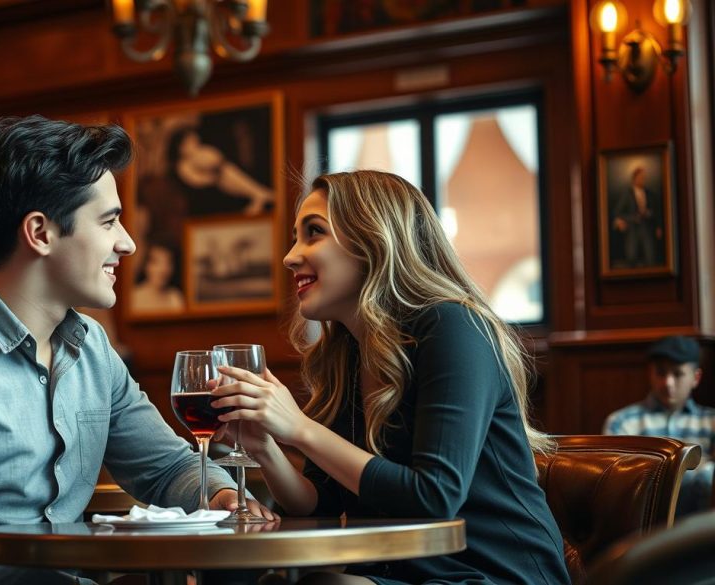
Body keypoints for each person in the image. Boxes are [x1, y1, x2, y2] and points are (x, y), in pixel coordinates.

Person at [0, 115, 272, 585]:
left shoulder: (92, 347)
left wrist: (218, 496)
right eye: (110, 221)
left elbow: (166, 467)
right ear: (40, 233)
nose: (128, 243)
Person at [212, 170, 571, 584]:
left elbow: (433, 497)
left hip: (492, 573)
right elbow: (318, 506)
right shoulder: (345, 352)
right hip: (403, 573)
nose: (290, 256)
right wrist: (266, 447)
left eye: (314, 233)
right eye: (296, 237)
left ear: (374, 242)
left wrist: (300, 429)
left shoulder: (453, 327)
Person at [603, 335, 715, 517]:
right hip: (642, 531)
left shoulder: (711, 422)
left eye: (678, 374)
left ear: (696, 377)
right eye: (661, 373)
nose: (668, 382)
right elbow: (616, 483)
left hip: (700, 535)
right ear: (650, 373)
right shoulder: (621, 422)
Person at [611, 166, 662, 268]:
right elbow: (617, 212)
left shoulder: (649, 193)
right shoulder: (627, 194)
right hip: (632, 229)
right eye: (640, 177)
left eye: (644, 177)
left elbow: (656, 211)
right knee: (631, 256)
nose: (642, 180)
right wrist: (631, 218)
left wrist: (656, 225)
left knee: (650, 257)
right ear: (634, 178)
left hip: (647, 228)